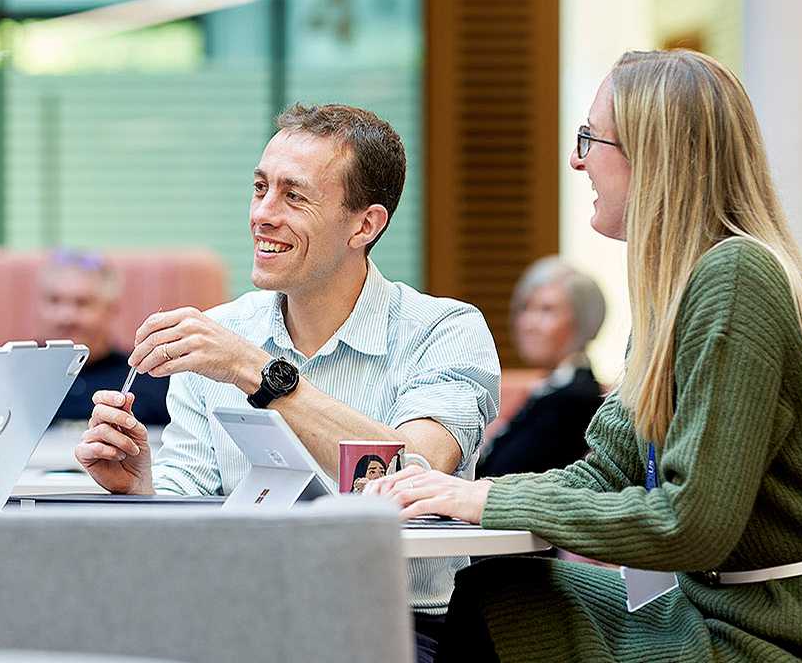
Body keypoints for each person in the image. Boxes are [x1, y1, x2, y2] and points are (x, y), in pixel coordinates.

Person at [369, 50, 802, 662]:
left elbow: (690, 524)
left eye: (590, 138)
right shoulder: (675, 290)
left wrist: (485, 500)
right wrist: (452, 495)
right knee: (500, 589)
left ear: (653, 156)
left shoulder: (737, 276)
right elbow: (604, 473)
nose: (576, 158)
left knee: (498, 606)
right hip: (726, 611)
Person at [71, 103, 500, 650]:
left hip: (393, 623)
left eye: (294, 196)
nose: (262, 214)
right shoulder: (223, 332)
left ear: (364, 225)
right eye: (259, 189)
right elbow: (192, 505)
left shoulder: (444, 330)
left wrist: (255, 372)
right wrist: (143, 488)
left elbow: (409, 471)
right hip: (236, 615)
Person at [475, 256, 607, 477]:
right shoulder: (552, 388)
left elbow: (504, 473)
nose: (528, 323)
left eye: (547, 310)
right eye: (525, 308)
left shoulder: (574, 398)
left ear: (583, 320)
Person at [39, 249, 170, 426]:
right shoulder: (11, 376)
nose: (66, 316)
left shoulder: (148, 378)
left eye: (82, 303)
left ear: (111, 309)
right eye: (54, 300)